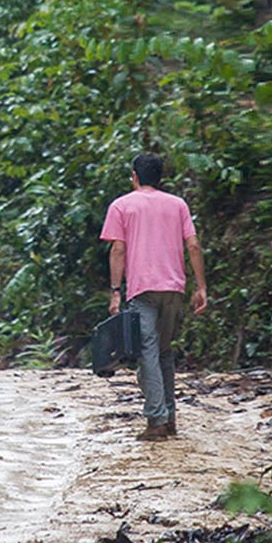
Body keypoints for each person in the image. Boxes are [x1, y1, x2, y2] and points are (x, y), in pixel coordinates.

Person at [99, 153, 208, 441]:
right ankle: (169, 417)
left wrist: (115, 293)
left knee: (148, 353)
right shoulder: (178, 204)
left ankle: (156, 421)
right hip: (174, 288)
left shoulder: (122, 206)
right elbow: (194, 246)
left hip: (142, 289)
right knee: (163, 350)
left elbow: (118, 251)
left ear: (134, 175)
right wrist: (201, 287)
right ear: (160, 177)